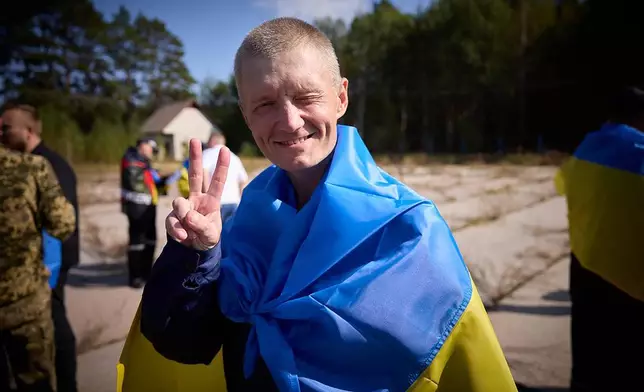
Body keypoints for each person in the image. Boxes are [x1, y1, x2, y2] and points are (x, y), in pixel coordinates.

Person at [118, 17, 516, 392]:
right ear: (245, 115)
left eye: (306, 96)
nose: (289, 121)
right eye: (265, 104)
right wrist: (197, 253)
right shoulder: (239, 225)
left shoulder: (410, 231)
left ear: (341, 97)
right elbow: (185, 344)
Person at [555, 86, 644, 392]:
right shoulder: (640, 150)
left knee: (588, 348)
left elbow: (562, 185)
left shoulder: (586, 147)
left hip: (583, 264)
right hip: (629, 274)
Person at [1, 103, 80, 392]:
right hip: (33, 281)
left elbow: (62, 225)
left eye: (6, 128)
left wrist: (53, 267)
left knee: (58, 334)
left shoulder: (47, 164)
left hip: (47, 270)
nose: (2, 133)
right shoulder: (30, 162)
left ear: (29, 130)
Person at [120, 138, 168, 289]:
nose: (150, 152)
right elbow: (135, 181)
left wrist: (161, 181)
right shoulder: (132, 159)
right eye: (149, 148)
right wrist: (153, 176)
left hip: (149, 205)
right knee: (137, 242)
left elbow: (149, 182)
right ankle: (135, 277)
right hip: (137, 207)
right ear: (142, 146)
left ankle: (147, 273)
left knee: (150, 240)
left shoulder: (143, 162)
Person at [201, 130, 248, 222]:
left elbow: (204, 176)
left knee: (215, 234)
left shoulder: (207, 154)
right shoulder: (234, 157)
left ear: (213, 140)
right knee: (231, 234)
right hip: (234, 202)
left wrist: (206, 198)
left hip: (217, 203)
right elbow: (243, 181)